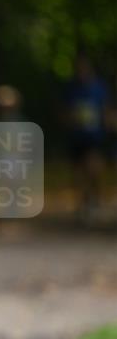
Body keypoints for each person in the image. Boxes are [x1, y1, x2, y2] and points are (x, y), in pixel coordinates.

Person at [62, 52, 109, 224]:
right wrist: (70, 119)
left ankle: (94, 199)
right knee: (78, 174)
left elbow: (105, 110)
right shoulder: (71, 89)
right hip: (76, 138)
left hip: (94, 137)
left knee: (93, 169)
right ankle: (83, 206)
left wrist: (107, 123)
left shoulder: (99, 88)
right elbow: (64, 113)